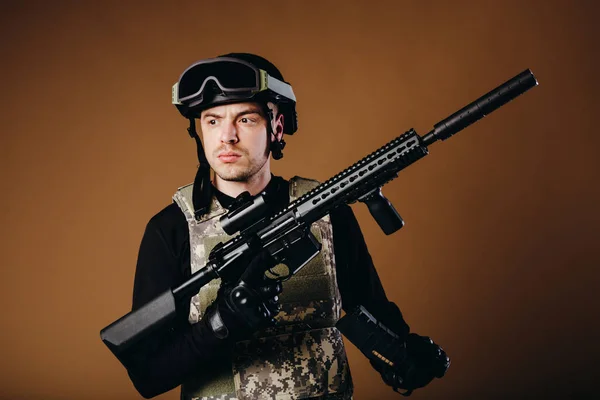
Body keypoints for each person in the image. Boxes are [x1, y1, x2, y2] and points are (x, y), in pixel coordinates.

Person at [123, 53, 449, 400]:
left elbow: (371, 310)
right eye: (213, 121)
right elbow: (148, 375)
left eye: (246, 119)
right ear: (199, 131)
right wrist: (220, 323)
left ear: (276, 127)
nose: (227, 137)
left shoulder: (325, 210)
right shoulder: (171, 229)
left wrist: (403, 358)